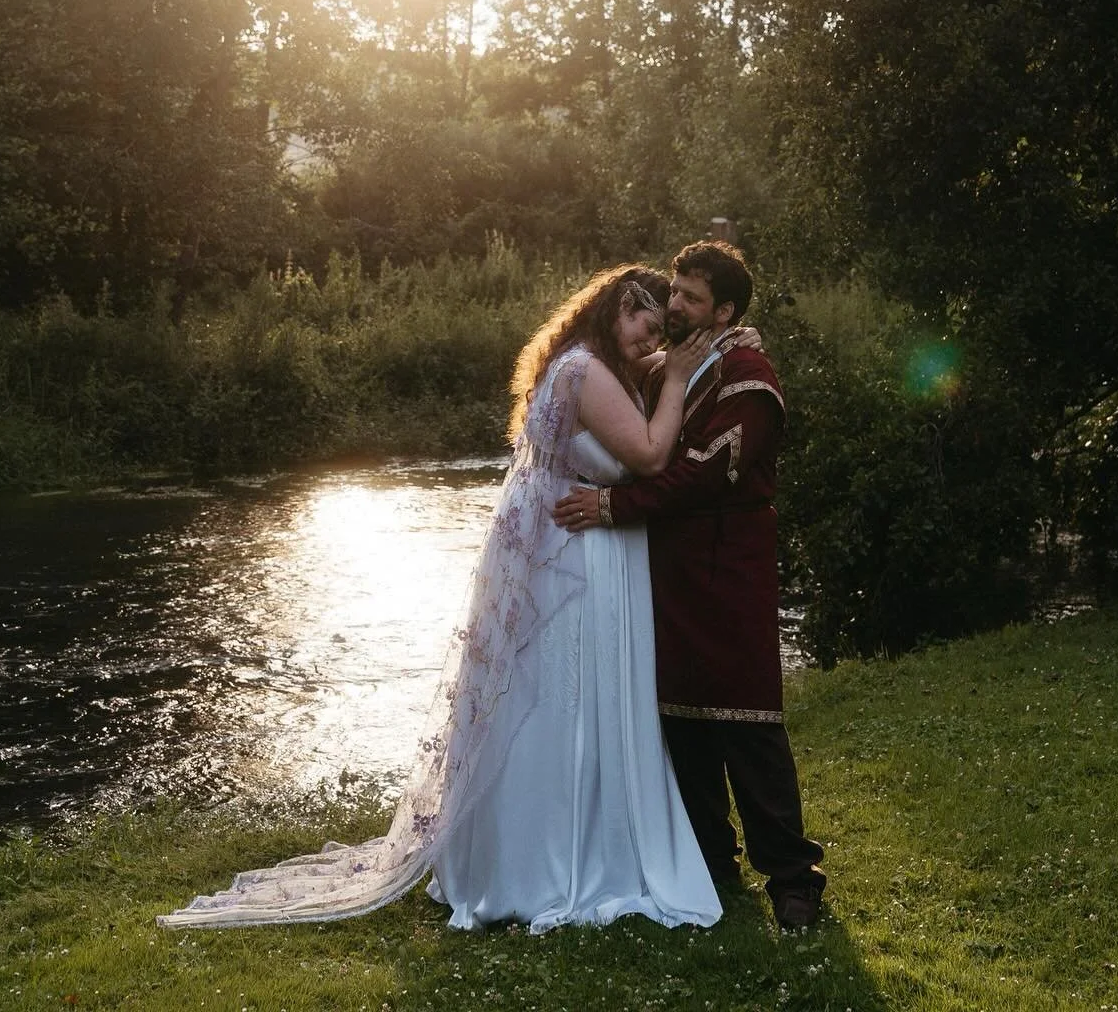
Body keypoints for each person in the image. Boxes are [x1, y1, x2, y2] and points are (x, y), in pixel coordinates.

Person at [159, 265, 722, 934]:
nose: (649, 341)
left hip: (572, 556)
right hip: (580, 561)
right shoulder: (589, 374)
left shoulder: (580, 361)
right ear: (617, 309)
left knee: (548, 710)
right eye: (644, 325)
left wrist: (689, 350)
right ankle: (557, 862)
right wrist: (682, 379)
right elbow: (654, 456)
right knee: (569, 708)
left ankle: (518, 855)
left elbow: (626, 406)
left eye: (660, 332)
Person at [552, 241, 827, 931]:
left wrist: (616, 508)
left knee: (749, 724)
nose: (672, 306)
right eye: (673, 292)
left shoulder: (747, 374)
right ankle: (710, 863)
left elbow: (703, 471)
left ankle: (793, 879)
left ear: (725, 311)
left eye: (690, 298)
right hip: (668, 571)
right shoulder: (673, 364)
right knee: (681, 724)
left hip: (726, 568)